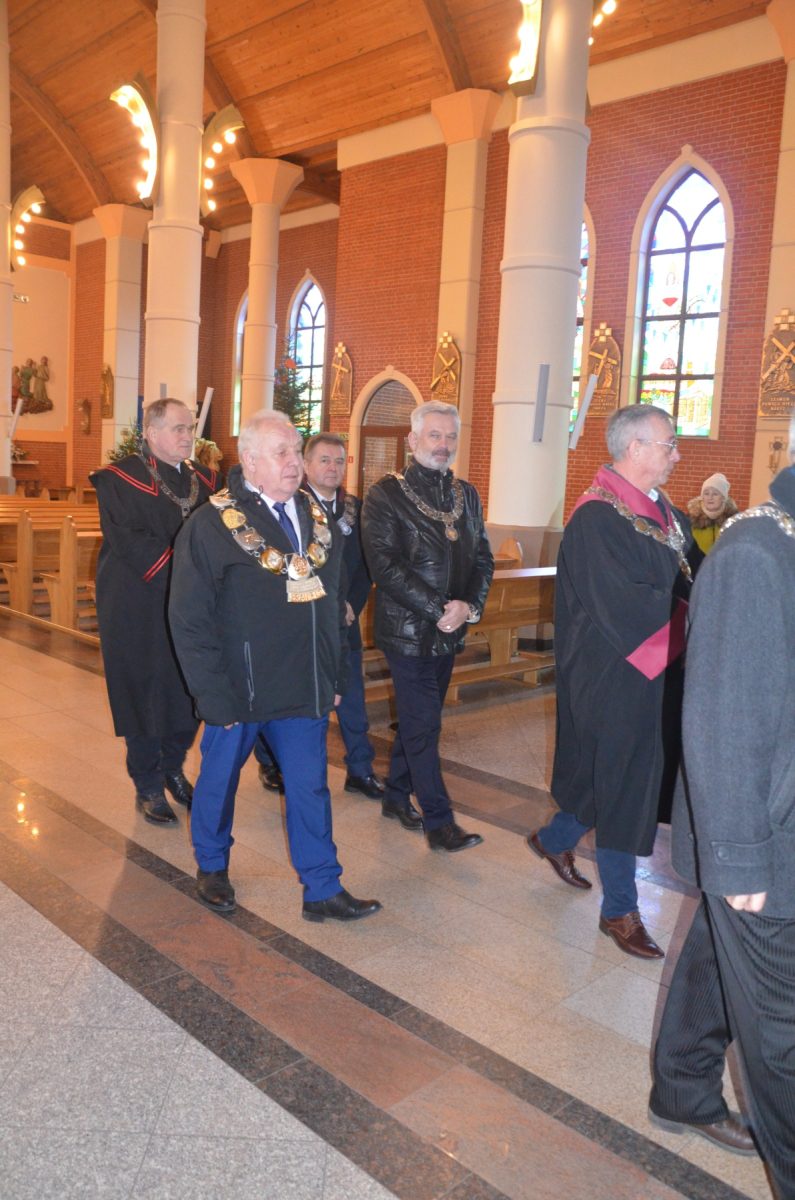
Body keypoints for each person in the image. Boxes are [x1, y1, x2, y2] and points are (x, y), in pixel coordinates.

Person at [649, 423, 795, 1190]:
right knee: (782, 1043)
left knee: (714, 948)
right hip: (767, 841)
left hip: (770, 827)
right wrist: (736, 860)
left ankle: (680, 1082)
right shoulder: (755, 549)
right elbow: (721, 713)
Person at [169, 409, 382, 923]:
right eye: (282, 453)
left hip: (303, 683)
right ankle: (212, 865)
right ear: (249, 461)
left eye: (295, 451)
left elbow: (332, 605)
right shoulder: (211, 524)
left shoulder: (316, 517)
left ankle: (323, 886)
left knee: (310, 786)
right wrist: (211, 696)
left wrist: (333, 676)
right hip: (238, 688)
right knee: (219, 781)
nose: (294, 462)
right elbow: (188, 619)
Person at [528, 404, 692, 959]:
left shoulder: (665, 512)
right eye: (669, 444)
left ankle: (553, 839)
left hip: (657, 666)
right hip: (611, 671)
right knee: (623, 780)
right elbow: (625, 607)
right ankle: (620, 909)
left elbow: (691, 573)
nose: (676, 454)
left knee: (613, 776)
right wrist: (696, 619)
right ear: (634, 448)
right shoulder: (596, 518)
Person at [361, 400, 494, 850]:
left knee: (422, 719)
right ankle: (439, 823)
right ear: (412, 439)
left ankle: (396, 795)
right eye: (434, 435)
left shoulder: (466, 494)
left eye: (450, 436)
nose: (443, 444)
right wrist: (439, 608)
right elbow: (385, 566)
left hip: (450, 630)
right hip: (407, 631)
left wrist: (468, 607)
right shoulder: (385, 494)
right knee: (423, 726)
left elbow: (483, 558)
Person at [91, 398, 218, 824]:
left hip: (192, 606)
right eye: (178, 428)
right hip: (136, 604)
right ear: (151, 433)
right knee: (143, 693)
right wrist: (190, 575)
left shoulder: (207, 480)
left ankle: (173, 768)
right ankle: (147, 783)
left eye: (190, 428)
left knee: (188, 687)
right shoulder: (117, 479)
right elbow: (130, 541)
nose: (187, 436)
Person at [251, 434, 386, 801]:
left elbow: (366, 566)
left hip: (343, 623)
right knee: (286, 697)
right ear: (306, 465)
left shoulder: (356, 509)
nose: (332, 467)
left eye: (339, 461)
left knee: (352, 700)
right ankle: (271, 761)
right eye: (324, 460)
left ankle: (360, 769)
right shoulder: (290, 506)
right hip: (301, 623)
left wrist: (351, 604)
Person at [686, 471, 738, 555]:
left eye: (715, 494)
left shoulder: (734, 521)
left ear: (723, 498)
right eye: (706, 493)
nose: (710, 497)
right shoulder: (690, 520)